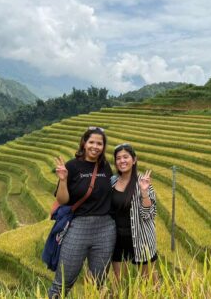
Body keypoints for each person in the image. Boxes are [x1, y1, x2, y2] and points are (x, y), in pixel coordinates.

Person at [48, 127, 115, 299]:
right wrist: (63, 180)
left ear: (103, 146)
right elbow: (63, 200)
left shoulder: (106, 167)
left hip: (105, 229)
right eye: (91, 142)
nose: (95, 146)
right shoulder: (72, 166)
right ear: (84, 144)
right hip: (78, 226)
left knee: (98, 283)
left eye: (99, 143)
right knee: (63, 282)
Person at [110, 143, 157, 281]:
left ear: (134, 160)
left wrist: (144, 192)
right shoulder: (112, 182)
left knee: (149, 282)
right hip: (117, 239)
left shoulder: (143, 182)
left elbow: (148, 214)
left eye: (126, 157)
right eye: (118, 158)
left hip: (141, 238)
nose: (122, 161)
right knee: (119, 282)